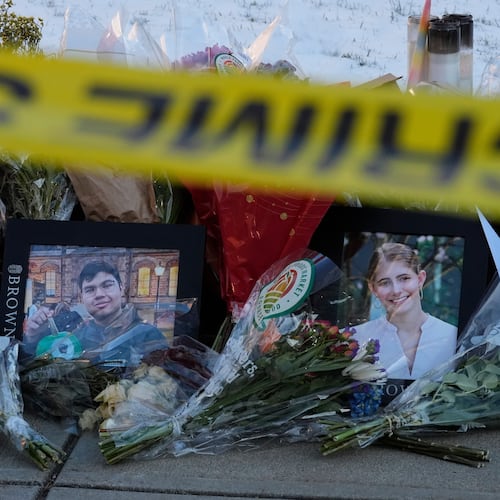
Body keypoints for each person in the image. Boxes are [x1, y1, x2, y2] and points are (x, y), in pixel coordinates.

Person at [24, 260, 169, 365]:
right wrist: (33, 337)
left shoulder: (147, 335)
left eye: (107, 285)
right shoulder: (76, 337)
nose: (99, 294)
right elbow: (38, 368)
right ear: (82, 297)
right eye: (90, 289)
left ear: (121, 288)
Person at [352, 242, 457, 381]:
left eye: (404, 278)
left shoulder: (454, 336)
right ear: (373, 288)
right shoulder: (354, 340)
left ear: (420, 279)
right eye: (384, 282)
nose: (396, 290)